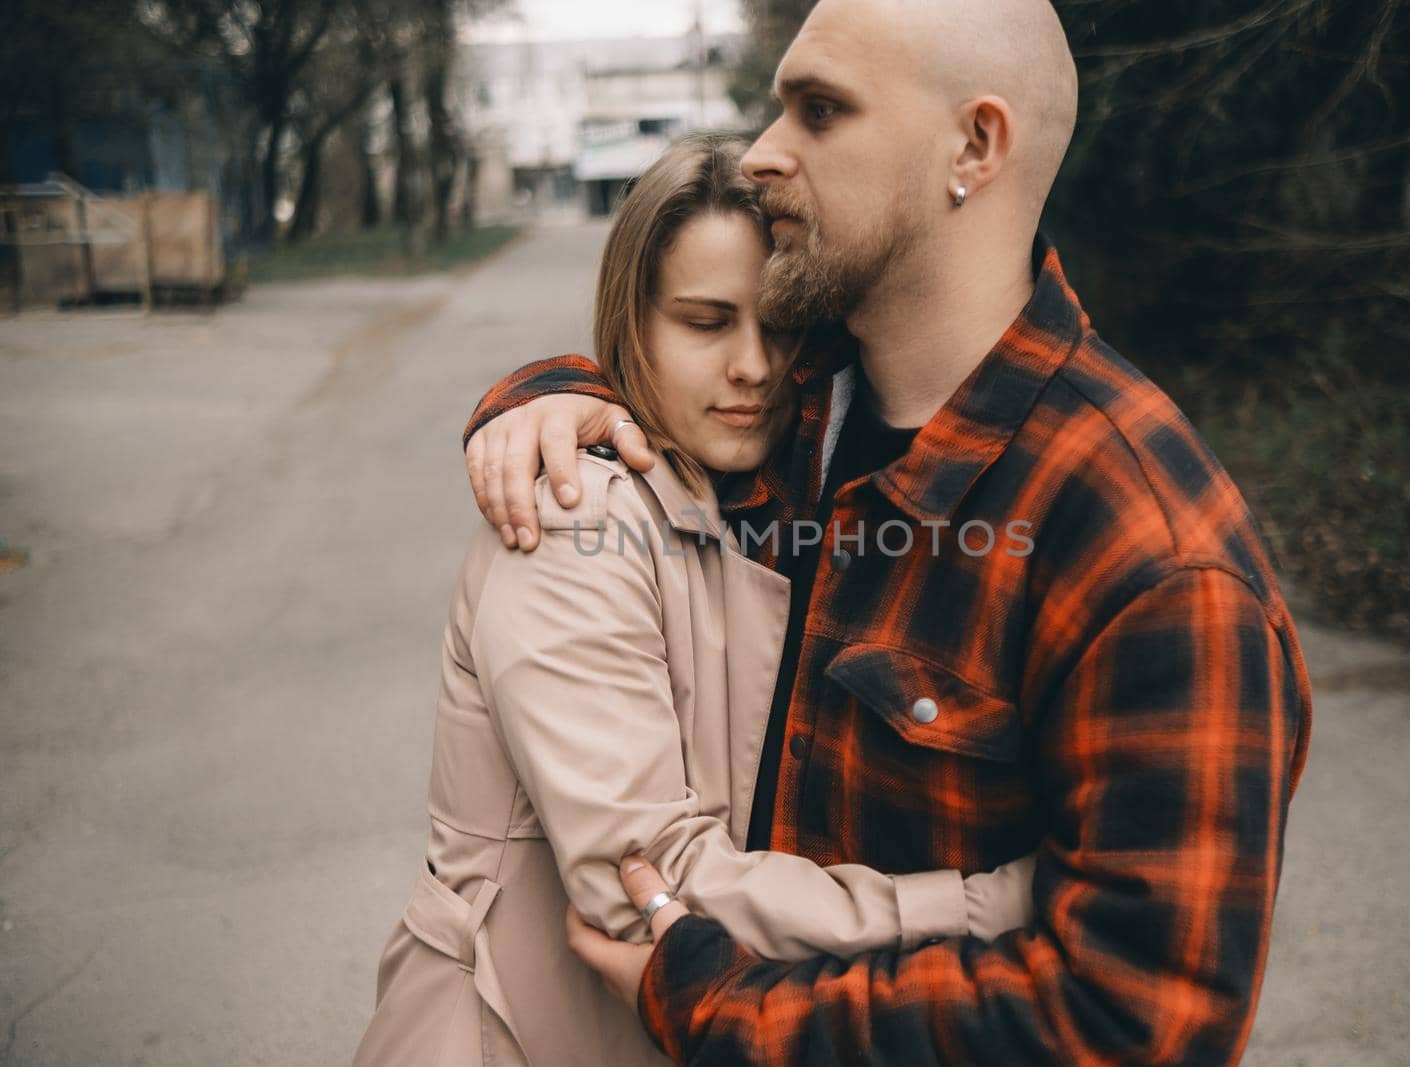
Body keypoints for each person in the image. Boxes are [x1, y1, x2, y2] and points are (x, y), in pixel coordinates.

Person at [463, 1, 1315, 1064]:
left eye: (819, 112)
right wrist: (546, 397)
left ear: (974, 146)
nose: (764, 154)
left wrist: (727, 1014)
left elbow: (1130, 1023)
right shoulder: (799, 408)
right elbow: (660, 388)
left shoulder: (1149, 554)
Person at [352, 133, 1035, 1067]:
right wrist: (975, 905)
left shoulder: (769, 507)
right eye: (706, 322)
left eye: (778, 325)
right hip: (507, 1036)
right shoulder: (571, 519)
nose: (753, 365)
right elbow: (647, 880)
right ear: (635, 324)